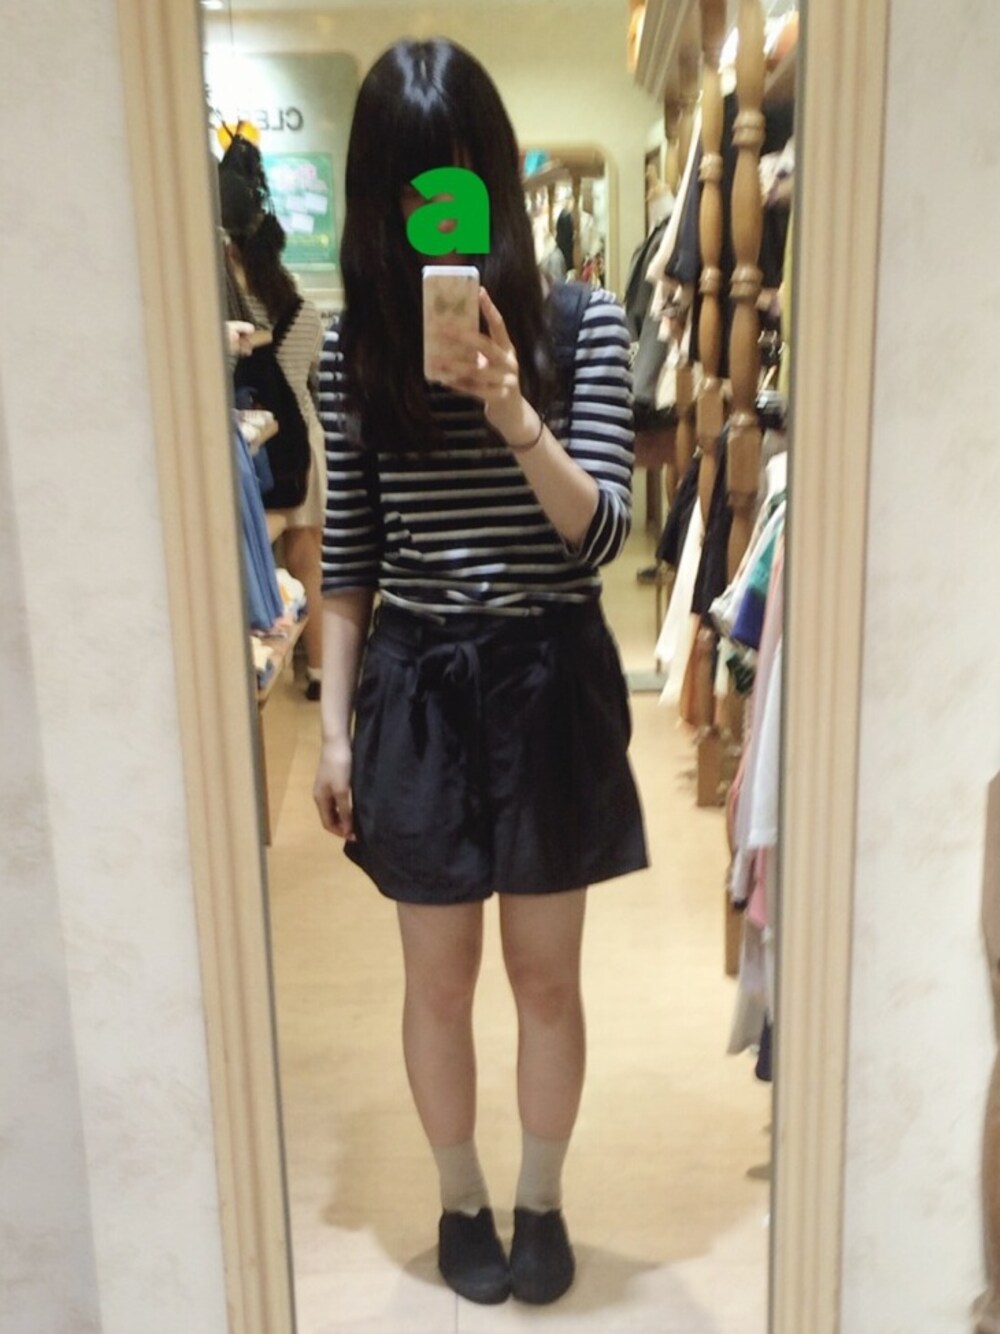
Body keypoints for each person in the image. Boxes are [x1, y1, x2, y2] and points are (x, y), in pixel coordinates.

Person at [313, 38, 648, 1307]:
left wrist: (514, 408)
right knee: (438, 981)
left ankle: (542, 1197)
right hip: (419, 687)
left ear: (493, 178)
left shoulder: (585, 322)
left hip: (549, 671)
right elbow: (349, 556)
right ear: (380, 199)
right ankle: (459, 1196)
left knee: (545, 976)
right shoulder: (354, 349)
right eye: (410, 188)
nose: (434, 213)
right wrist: (334, 731)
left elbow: (603, 537)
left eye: (453, 181)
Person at [219, 141, 328, 699]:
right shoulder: (305, 311)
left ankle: (271, 640)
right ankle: (320, 670)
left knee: (266, 548)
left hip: (258, 444)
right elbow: (310, 377)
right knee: (311, 555)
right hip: (304, 438)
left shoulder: (237, 313)